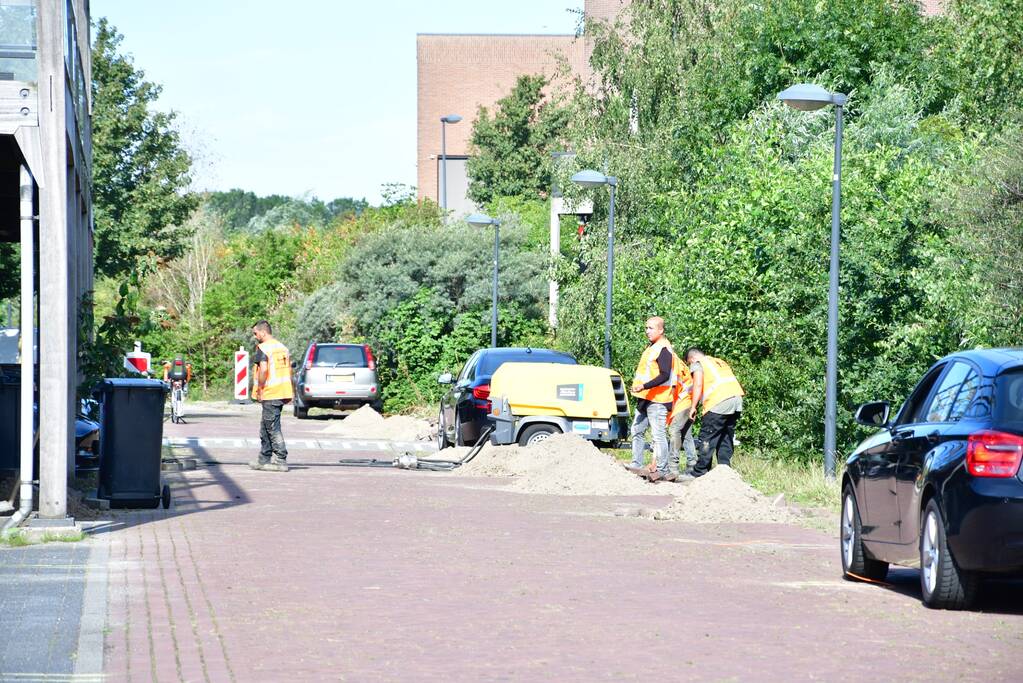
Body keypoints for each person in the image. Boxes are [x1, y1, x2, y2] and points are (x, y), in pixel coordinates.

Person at [686, 347, 745, 477]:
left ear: (692, 359)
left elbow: (698, 385)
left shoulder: (698, 364)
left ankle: (700, 472)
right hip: (736, 400)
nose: (690, 366)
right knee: (725, 436)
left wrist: (693, 407)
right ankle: (725, 470)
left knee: (707, 437)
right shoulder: (719, 361)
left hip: (718, 401)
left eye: (689, 363)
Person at [629, 317, 676, 478]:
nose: (647, 331)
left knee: (658, 435)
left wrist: (644, 386)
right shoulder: (651, 347)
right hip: (645, 398)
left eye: (651, 328)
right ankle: (636, 464)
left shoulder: (663, 349)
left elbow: (665, 374)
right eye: (646, 328)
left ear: (661, 330)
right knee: (637, 430)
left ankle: (663, 469)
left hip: (658, 399)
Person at [249, 320, 293, 472]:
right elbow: (289, 370)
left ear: (263, 332)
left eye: (255, 333)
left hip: (270, 392)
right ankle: (263, 459)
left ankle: (281, 459)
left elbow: (263, 370)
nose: (255, 337)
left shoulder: (264, 348)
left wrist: (260, 389)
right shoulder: (282, 348)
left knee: (272, 428)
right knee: (265, 428)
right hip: (281, 391)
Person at [666, 354, 697, 478]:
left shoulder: (672, 362)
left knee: (674, 430)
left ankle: (673, 467)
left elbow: (673, 386)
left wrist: (668, 406)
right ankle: (692, 464)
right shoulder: (679, 362)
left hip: (682, 401)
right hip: (688, 400)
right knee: (686, 434)